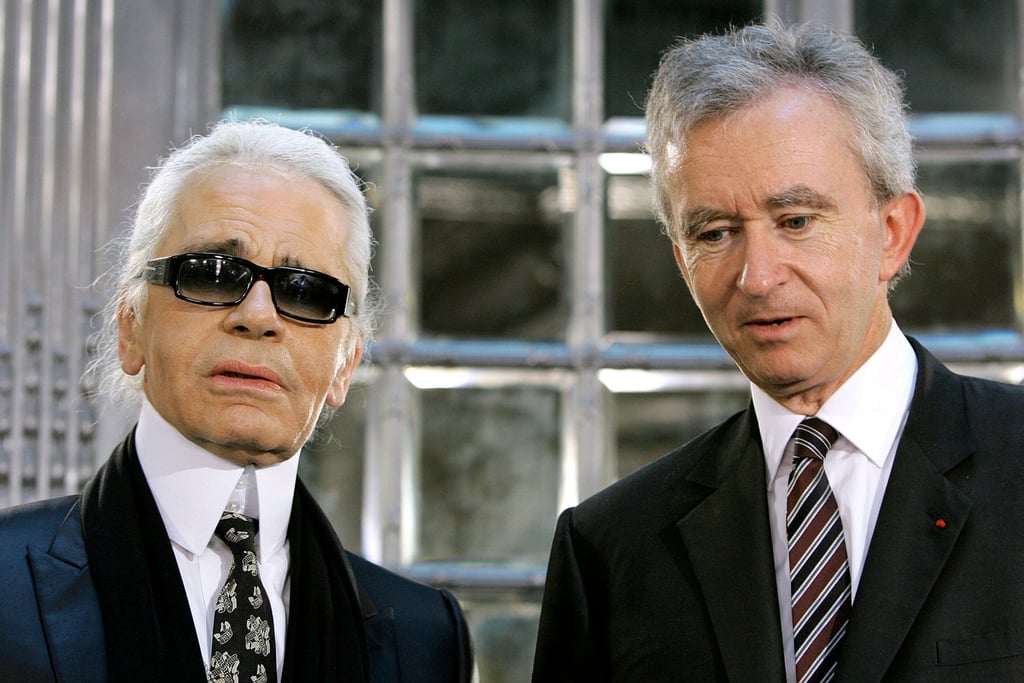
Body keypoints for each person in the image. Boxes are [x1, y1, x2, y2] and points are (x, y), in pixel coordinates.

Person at [533, 20, 1024, 682]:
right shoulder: (609, 549)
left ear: (894, 232)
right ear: (682, 261)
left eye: (796, 221)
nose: (757, 276)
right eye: (715, 232)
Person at [0, 120, 473, 682]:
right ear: (130, 327)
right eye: (213, 274)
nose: (257, 316)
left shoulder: (426, 638)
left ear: (346, 364)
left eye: (305, 290)